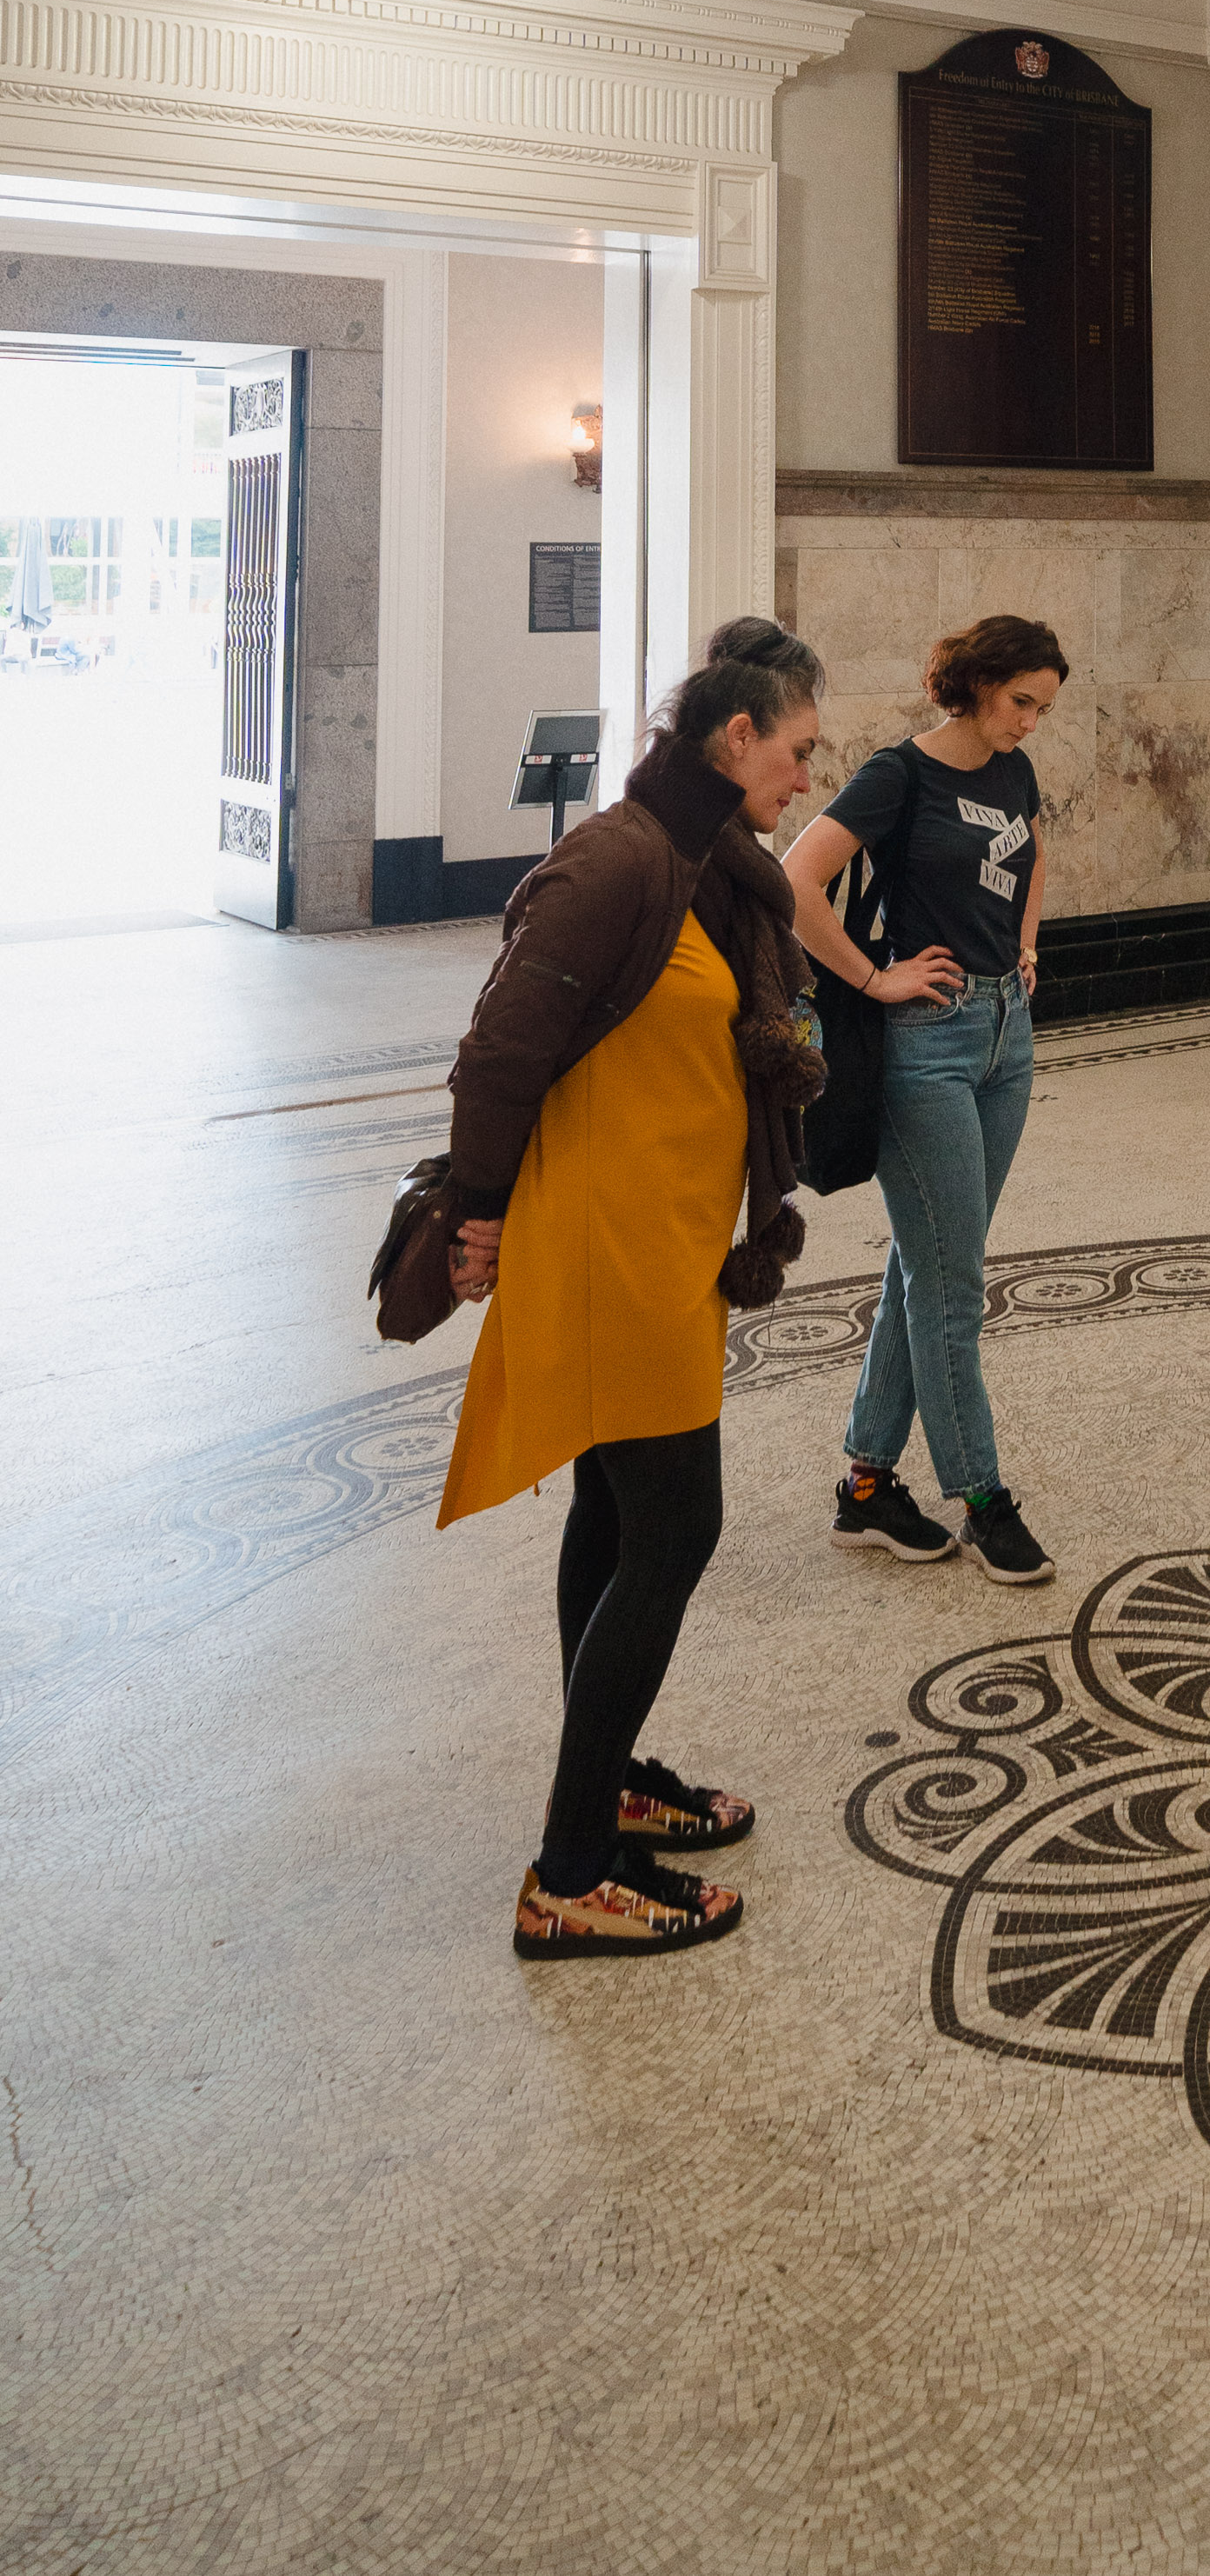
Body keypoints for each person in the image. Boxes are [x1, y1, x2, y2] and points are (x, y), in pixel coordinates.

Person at [437, 616, 827, 1962]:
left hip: (664, 1242)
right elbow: (500, 1046)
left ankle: (602, 1787)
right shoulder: (617, 858)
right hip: (608, 1249)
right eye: (796, 752)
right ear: (736, 738)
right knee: (675, 1529)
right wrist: (475, 1209)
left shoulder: (704, 862)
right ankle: (571, 1869)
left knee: (614, 1513)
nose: (803, 778)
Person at [785, 615, 1066, 1587]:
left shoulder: (1013, 771)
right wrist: (872, 978)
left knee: (931, 1260)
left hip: (1004, 1035)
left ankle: (866, 1483)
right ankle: (981, 1496)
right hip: (925, 1044)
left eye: (1042, 706)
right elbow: (795, 879)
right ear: (975, 683)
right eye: (1020, 700)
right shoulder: (901, 774)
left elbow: (1030, 856)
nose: (1030, 721)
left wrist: (1025, 943)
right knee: (952, 1284)